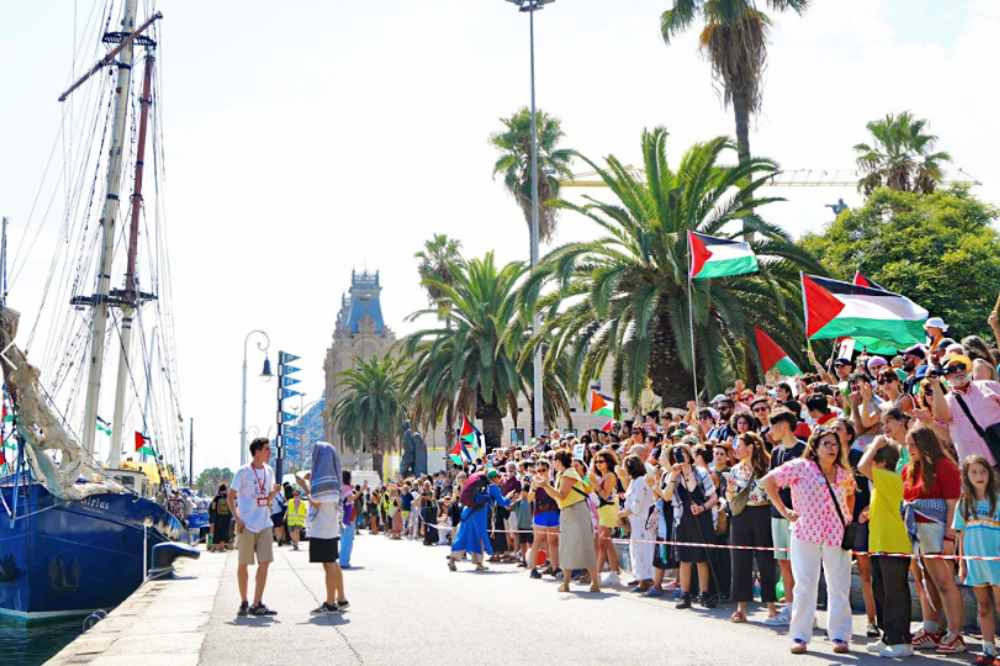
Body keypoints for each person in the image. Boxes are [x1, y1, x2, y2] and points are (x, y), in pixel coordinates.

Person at [761, 426, 857, 655]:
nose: (832, 448)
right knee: (804, 586)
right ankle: (800, 636)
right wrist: (784, 510)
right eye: (827, 444)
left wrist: (847, 518)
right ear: (814, 446)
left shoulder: (844, 473)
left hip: (836, 535)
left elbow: (851, 494)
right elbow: (767, 481)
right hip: (805, 532)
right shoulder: (800, 467)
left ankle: (840, 636)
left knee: (839, 586)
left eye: (835, 444)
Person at [902, 423, 966, 654]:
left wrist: (950, 536)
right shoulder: (909, 468)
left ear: (925, 444)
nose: (908, 449)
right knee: (926, 582)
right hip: (916, 533)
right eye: (907, 445)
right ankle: (931, 628)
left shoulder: (945, 466)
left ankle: (956, 634)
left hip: (936, 531)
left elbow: (953, 504)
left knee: (944, 583)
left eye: (913, 445)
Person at [858, 434, 913, 658]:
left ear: (881, 463)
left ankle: (901, 640)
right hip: (880, 545)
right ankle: (888, 635)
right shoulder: (881, 484)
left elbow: (862, 465)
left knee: (895, 594)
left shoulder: (890, 478)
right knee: (881, 592)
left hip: (894, 545)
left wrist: (874, 445)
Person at [726, 432, 778, 624]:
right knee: (740, 560)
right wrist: (730, 491)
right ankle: (741, 608)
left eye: (739, 446)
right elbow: (730, 494)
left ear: (750, 447)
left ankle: (771, 607)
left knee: (765, 560)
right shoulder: (734, 470)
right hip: (740, 515)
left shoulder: (767, 465)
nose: (736, 449)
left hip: (762, 513)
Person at [954, 454, 1000, 665]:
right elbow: (961, 536)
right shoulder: (964, 504)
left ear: (989, 474)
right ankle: (988, 649)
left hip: (996, 562)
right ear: (967, 476)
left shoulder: (998, 501)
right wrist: (962, 565)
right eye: (974, 472)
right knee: (983, 606)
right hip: (976, 563)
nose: (979, 476)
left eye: (983, 471)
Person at [661, 442, 719, 609]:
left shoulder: (701, 473)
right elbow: (666, 496)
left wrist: (702, 507)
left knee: (702, 559)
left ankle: (705, 593)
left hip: (702, 517)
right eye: (676, 455)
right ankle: (685, 595)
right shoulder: (671, 475)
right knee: (684, 559)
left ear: (689, 454)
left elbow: (713, 497)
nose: (680, 457)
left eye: (683, 453)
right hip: (682, 518)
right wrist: (673, 475)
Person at [229, 437, 281, 617]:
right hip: (247, 523)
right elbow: (231, 496)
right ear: (257, 452)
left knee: (265, 563)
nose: (270, 452)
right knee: (243, 563)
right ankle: (244, 601)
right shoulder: (243, 472)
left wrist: (275, 492)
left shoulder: (269, 471)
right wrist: (237, 518)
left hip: (265, 523)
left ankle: (257, 603)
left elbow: (266, 499)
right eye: (267, 449)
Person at [763, 408, 806, 627]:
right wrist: (780, 508)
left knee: (800, 564)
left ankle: (804, 611)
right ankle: (788, 608)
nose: (770, 431)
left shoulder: (805, 450)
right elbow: (773, 483)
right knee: (784, 563)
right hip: (778, 513)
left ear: (784, 426)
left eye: (773, 426)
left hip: (801, 516)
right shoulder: (777, 452)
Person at [536, 450, 600, 593]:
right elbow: (557, 497)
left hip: (578, 512)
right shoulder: (561, 475)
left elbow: (562, 495)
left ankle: (595, 582)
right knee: (566, 547)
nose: (553, 463)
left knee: (585, 546)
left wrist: (545, 485)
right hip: (566, 512)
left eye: (554, 460)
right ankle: (566, 583)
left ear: (559, 461)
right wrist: (544, 485)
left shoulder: (570, 474)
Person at [296, 441, 349, 615]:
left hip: (323, 528)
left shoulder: (324, 482)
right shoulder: (330, 478)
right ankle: (341, 598)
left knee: (329, 565)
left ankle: (330, 602)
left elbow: (316, 503)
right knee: (333, 562)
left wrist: (304, 487)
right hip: (330, 526)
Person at [931, 354, 1000, 465]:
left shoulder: (990, 386)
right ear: (946, 376)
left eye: (962, 367)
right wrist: (935, 385)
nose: (959, 371)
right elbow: (944, 416)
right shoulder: (945, 400)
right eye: (953, 369)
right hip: (976, 468)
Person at [448, 470, 511, 572]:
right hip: (479, 513)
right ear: (494, 478)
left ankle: (452, 559)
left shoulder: (478, 485)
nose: (500, 479)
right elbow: (502, 502)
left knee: (462, 534)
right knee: (480, 536)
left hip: (467, 510)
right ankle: (478, 562)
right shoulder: (492, 487)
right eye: (498, 477)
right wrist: (509, 497)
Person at [619, 454, 654, 594]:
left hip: (642, 522)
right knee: (638, 549)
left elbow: (636, 506)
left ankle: (645, 579)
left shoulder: (639, 482)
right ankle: (641, 577)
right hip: (637, 522)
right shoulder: (635, 482)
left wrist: (622, 513)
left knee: (643, 550)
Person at [591, 450, 621, 586]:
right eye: (596, 461)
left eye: (601, 461)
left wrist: (595, 484)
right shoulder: (601, 477)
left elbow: (605, 495)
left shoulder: (610, 476)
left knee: (602, 543)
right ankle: (614, 573)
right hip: (601, 510)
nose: (598, 464)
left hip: (609, 509)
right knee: (607, 543)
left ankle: (597, 575)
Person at [526, 459, 560, 579]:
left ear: (548, 469)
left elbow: (555, 496)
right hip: (540, 513)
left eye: (543, 470)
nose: (540, 473)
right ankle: (533, 568)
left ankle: (555, 567)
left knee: (553, 541)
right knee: (538, 540)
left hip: (553, 512)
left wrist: (546, 484)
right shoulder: (534, 482)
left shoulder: (553, 482)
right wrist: (535, 487)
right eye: (538, 470)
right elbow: (529, 499)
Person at [340, 471, 357, 567]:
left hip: (341, 515)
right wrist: (361, 491)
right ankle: (344, 561)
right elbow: (351, 499)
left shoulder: (340, 488)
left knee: (343, 538)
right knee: (348, 539)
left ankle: (342, 559)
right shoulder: (346, 488)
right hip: (349, 515)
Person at [209, 483, 232, 552]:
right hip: (227, 516)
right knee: (224, 531)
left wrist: (212, 516)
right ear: (226, 489)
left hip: (218, 516)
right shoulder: (228, 497)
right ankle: (221, 546)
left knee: (217, 531)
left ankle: (213, 547)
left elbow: (213, 507)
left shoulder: (217, 497)